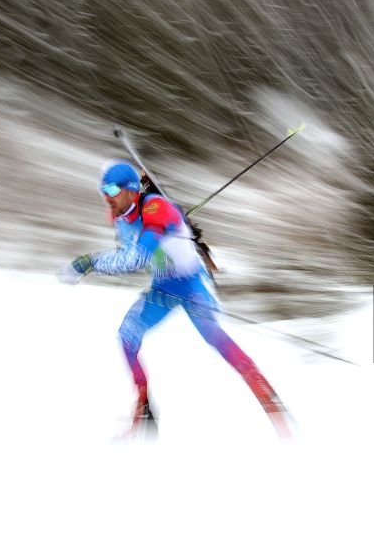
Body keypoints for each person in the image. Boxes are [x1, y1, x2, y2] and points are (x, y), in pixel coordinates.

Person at [58, 160, 289, 437]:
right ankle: (144, 413)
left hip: (192, 284)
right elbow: (138, 250)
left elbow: (136, 257)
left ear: (131, 190)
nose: (105, 196)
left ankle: (273, 406)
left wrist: (88, 263)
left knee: (215, 339)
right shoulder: (122, 217)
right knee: (128, 336)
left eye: (110, 188)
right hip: (164, 286)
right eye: (101, 189)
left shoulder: (156, 208)